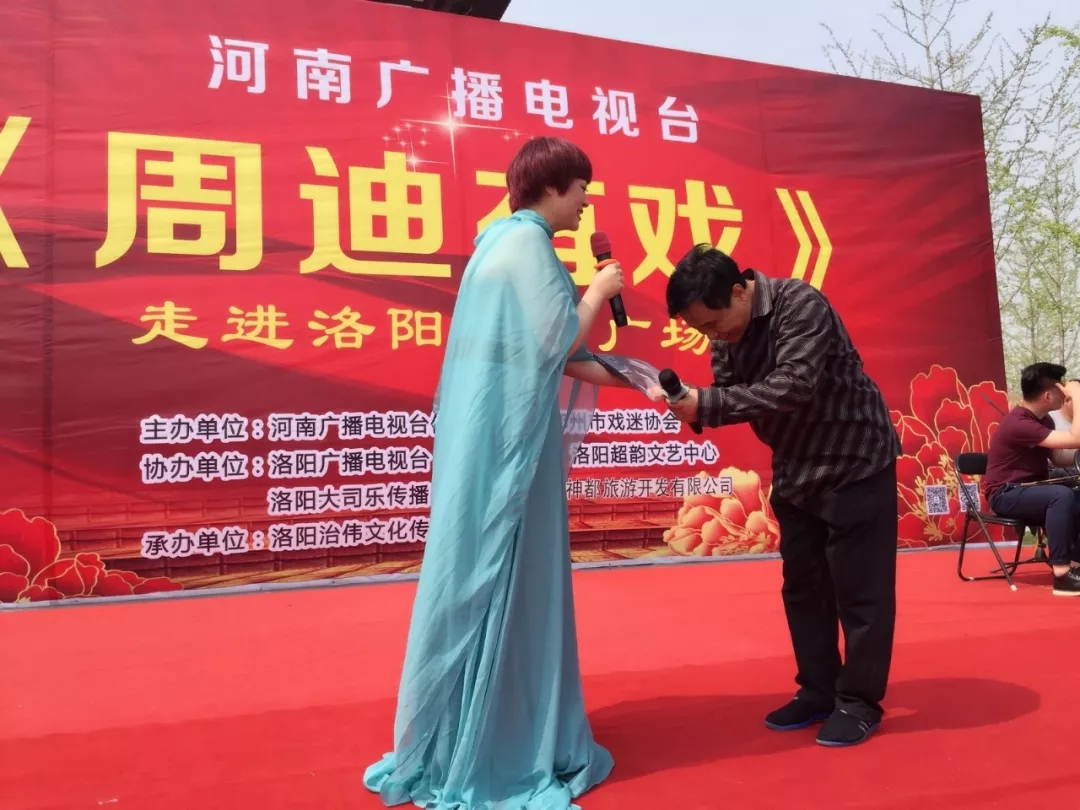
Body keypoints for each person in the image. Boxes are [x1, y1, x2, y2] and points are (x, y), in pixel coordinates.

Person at [364, 136, 642, 809]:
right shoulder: (527, 246)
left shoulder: (497, 245)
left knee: (494, 577)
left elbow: (555, 355)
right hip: (513, 448)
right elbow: (558, 341)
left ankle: (489, 731)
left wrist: (642, 380)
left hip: (496, 441)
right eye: (581, 189)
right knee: (511, 578)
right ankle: (503, 745)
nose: (586, 203)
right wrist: (599, 291)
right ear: (551, 186)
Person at [661, 245, 901, 748]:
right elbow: (730, 394)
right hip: (795, 469)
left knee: (861, 593)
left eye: (713, 323)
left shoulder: (800, 303)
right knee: (804, 590)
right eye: (701, 330)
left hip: (854, 458)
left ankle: (858, 702)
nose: (713, 337)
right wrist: (691, 406)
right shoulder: (726, 337)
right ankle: (818, 690)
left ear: (738, 291)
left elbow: (794, 386)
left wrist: (707, 403)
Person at [982, 363, 1080, 596]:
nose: (1065, 395)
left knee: (1074, 493)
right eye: (1061, 390)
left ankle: (1075, 564)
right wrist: (1077, 396)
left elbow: (1058, 458)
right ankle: (1061, 575)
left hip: (1031, 489)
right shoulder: (1020, 423)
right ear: (1048, 396)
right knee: (1061, 495)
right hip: (1005, 493)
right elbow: (1076, 437)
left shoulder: (1044, 421)